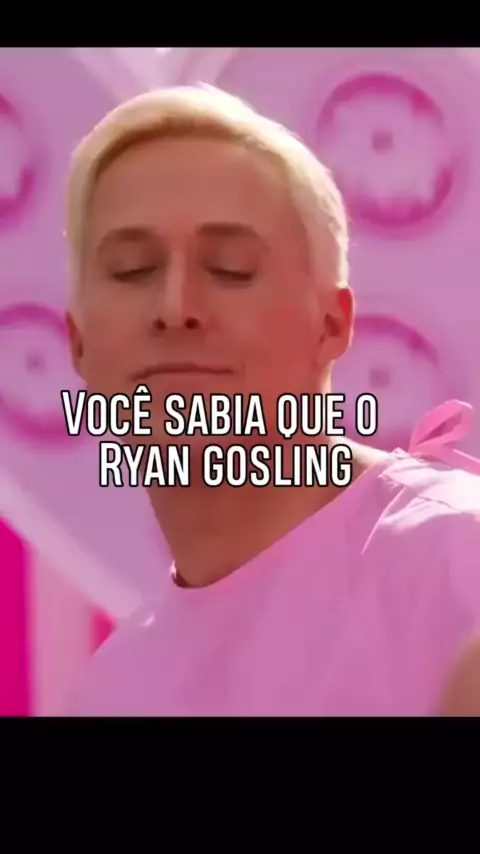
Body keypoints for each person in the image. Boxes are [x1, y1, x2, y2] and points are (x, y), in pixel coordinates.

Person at [65, 84, 480, 716]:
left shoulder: (452, 559)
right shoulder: (107, 691)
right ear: (77, 342)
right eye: (131, 269)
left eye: (230, 268)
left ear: (332, 325)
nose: (175, 307)